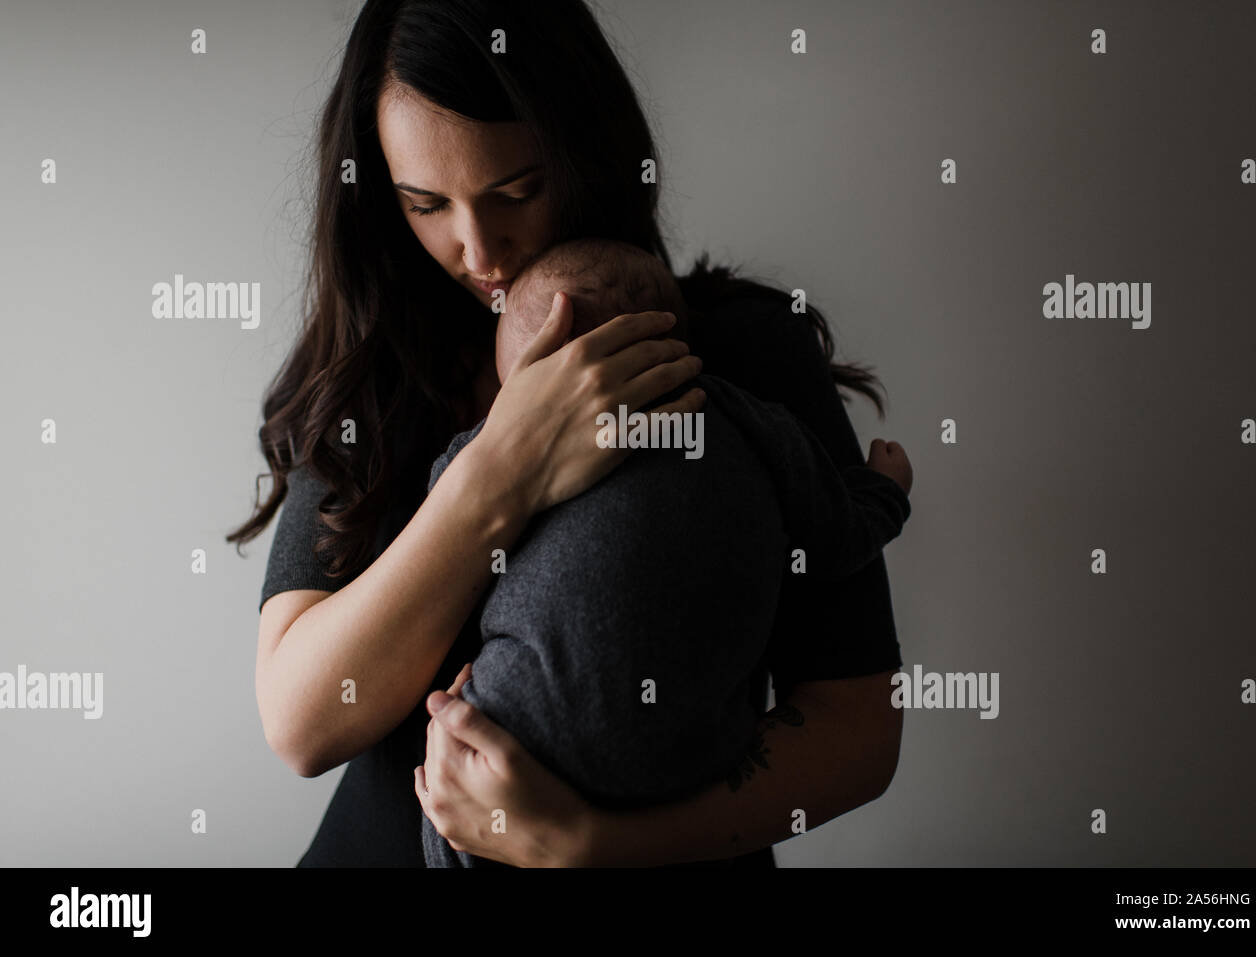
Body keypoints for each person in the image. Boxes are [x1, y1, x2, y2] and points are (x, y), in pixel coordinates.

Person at [231, 0, 910, 868]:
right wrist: (503, 469)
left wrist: (591, 845)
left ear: (585, 152)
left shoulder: (739, 354)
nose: (479, 250)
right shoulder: (382, 375)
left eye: (516, 190)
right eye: (425, 203)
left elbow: (858, 731)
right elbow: (301, 722)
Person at [418, 238, 912, 867]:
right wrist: (884, 493)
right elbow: (837, 536)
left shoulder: (488, 454)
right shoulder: (751, 421)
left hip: (522, 731)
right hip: (691, 756)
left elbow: (448, 551)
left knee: (449, 795)